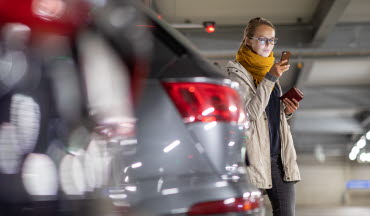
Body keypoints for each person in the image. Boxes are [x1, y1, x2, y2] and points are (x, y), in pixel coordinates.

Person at [226, 17, 301, 216]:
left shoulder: (270, 72)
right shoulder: (237, 74)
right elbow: (249, 115)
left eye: (272, 40)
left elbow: (268, 116)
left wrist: (286, 112)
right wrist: (270, 78)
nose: (268, 45)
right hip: (253, 160)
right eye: (262, 39)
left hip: (279, 159)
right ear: (248, 40)